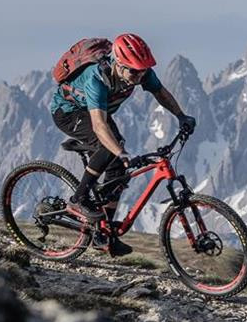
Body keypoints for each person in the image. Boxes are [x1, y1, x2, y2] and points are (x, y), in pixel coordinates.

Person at [49, 33, 195, 256]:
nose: (139, 76)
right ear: (119, 63)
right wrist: (120, 151)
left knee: (118, 168)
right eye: (134, 71)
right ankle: (78, 200)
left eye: (143, 70)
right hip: (69, 113)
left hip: (97, 113)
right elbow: (99, 125)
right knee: (111, 147)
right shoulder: (96, 78)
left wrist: (181, 116)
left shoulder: (140, 71)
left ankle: (104, 235)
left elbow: (161, 93)